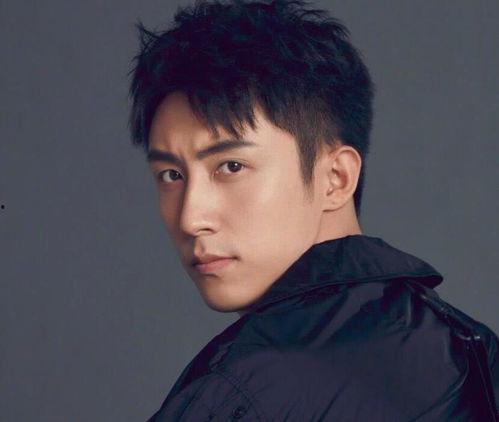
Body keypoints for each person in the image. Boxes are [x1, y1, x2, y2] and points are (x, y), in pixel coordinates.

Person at [127, 0, 499, 420]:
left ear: (335, 177)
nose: (191, 218)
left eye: (231, 167)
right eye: (171, 175)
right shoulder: (471, 349)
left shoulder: (245, 390)